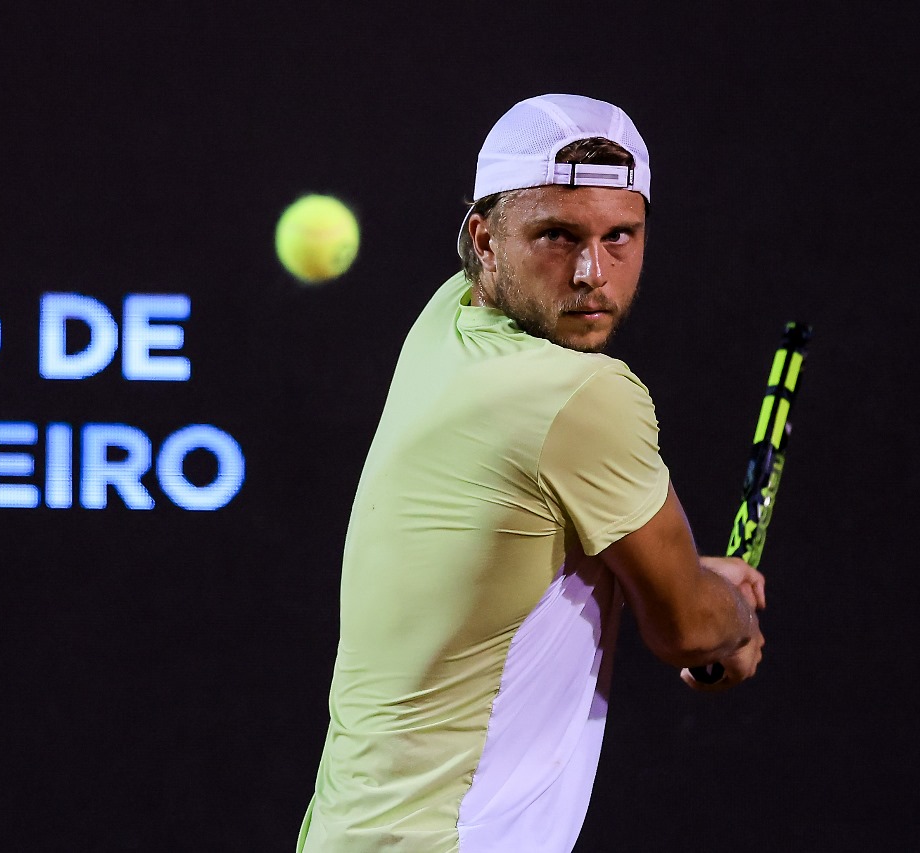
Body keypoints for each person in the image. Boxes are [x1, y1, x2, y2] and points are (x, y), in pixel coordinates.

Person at [296, 94, 766, 852]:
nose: (592, 273)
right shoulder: (583, 396)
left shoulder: (446, 320)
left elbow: (538, 521)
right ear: (483, 237)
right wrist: (731, 623)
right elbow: (686, 628)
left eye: (622, 236)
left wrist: (678, 572)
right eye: (557, 236)